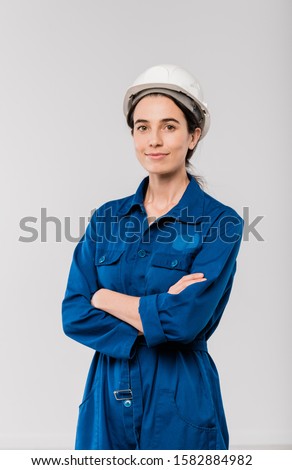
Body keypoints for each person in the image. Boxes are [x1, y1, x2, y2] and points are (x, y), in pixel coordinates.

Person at [62, 64, 244, 450]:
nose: (154, 140)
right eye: (142, 127)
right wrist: (156, 312)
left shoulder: (220, 223)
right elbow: (74, 313)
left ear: (193, 136)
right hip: (107, 396)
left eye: (169, 126)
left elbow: (184, 323)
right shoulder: (108, 218)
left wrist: (105, 298)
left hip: (180, 400)